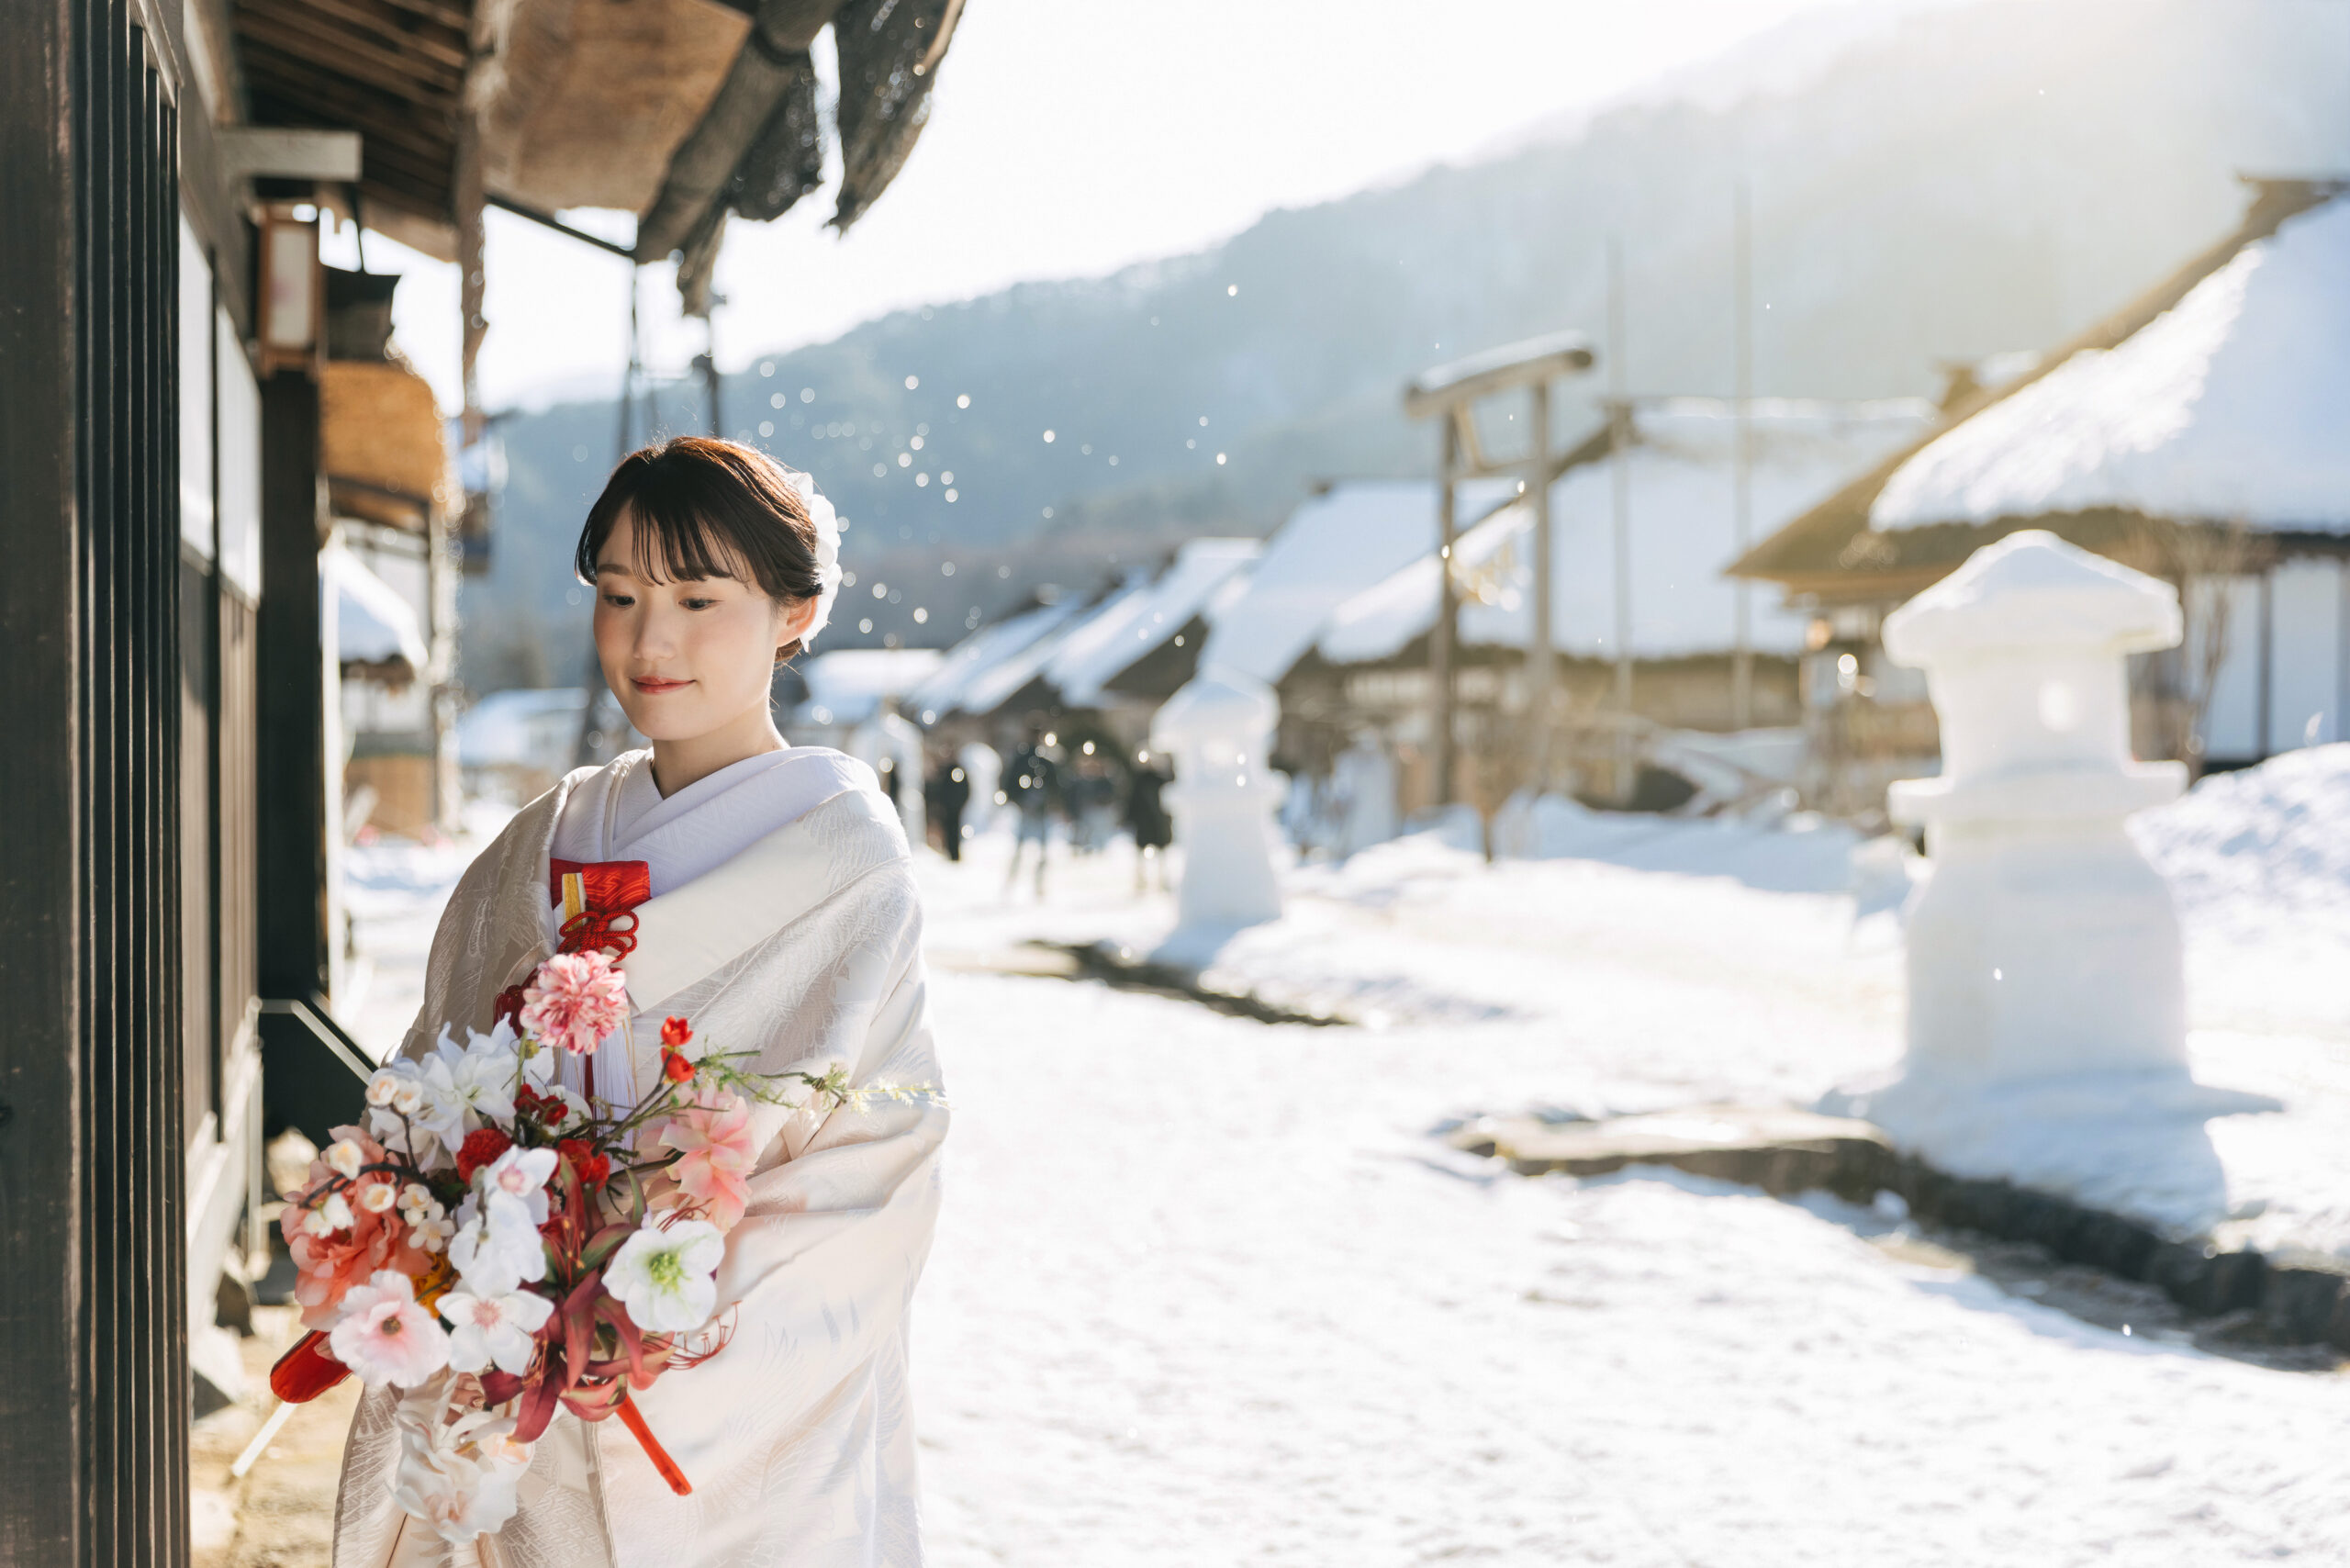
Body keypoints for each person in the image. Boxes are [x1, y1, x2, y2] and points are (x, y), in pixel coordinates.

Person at [332, 437, 948, 1568]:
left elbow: (875, 1174)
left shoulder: (849, 871)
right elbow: (429, 1079)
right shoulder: (539, 847)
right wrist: (444, 1238)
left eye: (697, 597)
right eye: (618, 596)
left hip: (705, 1397)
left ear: (795, 611)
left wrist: (635, 1317)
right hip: (512, 1381)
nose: (649, 639)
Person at [1002, 720, 1061, 897]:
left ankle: (1037, 884)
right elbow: (1011, 783)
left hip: (1039, 810)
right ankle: (1013, 883)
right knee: (1022, 847)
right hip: (1027, 810)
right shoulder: (1025, 759)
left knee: (1038, 849)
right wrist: (1020, 800)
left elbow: (1054, 785)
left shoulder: (1043, 759)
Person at [1125, 746, 1173, 894]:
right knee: (1141, 852)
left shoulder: (1160, 780)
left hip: (1157, 822)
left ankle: (1162, 879)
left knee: (1161, 853)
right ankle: (1141, 879)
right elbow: (1132, 801)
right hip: (1144, 822)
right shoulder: (1137, 781)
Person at [925, 750, 970, 861]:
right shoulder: (947, 772)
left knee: (953, 832)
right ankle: (951, 854)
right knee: (950, 831)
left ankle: (954, 855)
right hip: (949, 808)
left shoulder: (953, 772)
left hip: (952, 808)